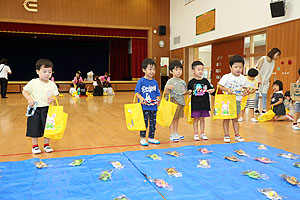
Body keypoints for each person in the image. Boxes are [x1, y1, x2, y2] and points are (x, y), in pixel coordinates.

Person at [22, 59, 59, 154]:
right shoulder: (33, 82)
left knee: (48, 127)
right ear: (37, 71)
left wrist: (53, 99)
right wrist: (30, 99)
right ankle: (35, 146)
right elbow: (24, 91)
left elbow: (56, 95)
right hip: (35, 109)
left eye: (49, 72)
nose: (47, 74)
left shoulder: (52, 84)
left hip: (48, 109)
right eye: (44, 71)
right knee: (34, 127)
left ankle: (46, 145)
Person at [218, 55, 249, 143]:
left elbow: (245, 88)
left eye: (240, 67)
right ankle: (226, 135)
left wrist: (246, 91)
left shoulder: (243, 78)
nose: (238, 69)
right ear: (230, 67)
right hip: (227, 101)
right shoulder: (227, 77)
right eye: (235, 67)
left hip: (237, 101)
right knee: (227, 118)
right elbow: (219, 86)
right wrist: (227, 89)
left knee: (235, 119)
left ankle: (237, 134)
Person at [135, 58, 160, 146]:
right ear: (144, 70)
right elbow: (137, 93)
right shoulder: (141, 81)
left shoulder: (155, 82)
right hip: (144, 107)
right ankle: (142, 138)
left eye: (154, 69)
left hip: (153, 107)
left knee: (153, 123)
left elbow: (157, 93)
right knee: (144, 123)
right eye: (150, 69)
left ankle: (151, 138)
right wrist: (141, 98)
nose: (152, 71)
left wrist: (158, 99)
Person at [187, 61, 215, 141]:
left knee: (203, 119)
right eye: (198, 69)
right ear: (193, 71)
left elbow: (211, 88)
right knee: (196, 119)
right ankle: (196, 133)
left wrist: (212, 90)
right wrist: (188, 92)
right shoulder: (191, 82)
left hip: (204, 104)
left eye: (202, 70)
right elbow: (188, 91)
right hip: (195, 104)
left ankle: (202, 133)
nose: (200, 71)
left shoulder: (205, 81)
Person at [164, 60, 187, 142]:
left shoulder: (182, 82)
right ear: (171, 71)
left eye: (180, 69)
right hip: (173, 101)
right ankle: (172, 133)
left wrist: (185, 92)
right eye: (176, 69)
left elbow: (184, 92)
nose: (179, 71)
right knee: (172, 118)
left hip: (180, 102)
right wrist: (167, 88)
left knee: (177, 118)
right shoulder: (170, 81)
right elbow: (165, 93)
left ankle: (176, 132)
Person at [255, 48, 281, 114]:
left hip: (266, 81)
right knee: (257, 95)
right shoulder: (263, 58)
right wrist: (259, 79)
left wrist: (268, 80)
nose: (277, 57)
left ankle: (264, 109)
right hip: (258, 80)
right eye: (277, 55)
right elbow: (257, 69)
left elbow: (269, 72)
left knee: (264, 95)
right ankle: (256, 109)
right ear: (273, 53)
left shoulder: (273, 62)